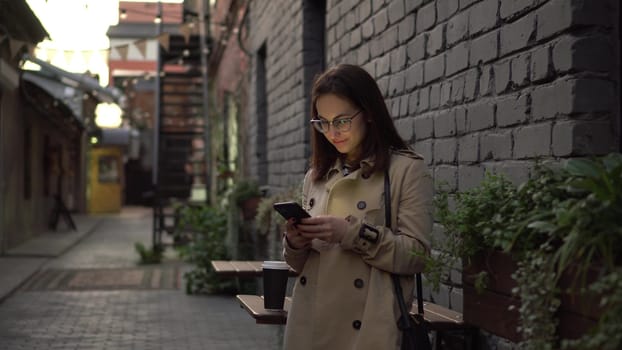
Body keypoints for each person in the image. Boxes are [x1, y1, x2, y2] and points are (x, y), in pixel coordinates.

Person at [282, 64, 433, 350]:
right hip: (310, 326)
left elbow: (416, 256)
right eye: (322, 122)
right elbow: (298, 265)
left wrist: (350, 233)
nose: (332, 132)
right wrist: (295, 242)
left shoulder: (405, 171)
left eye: (341, 121)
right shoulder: (315, 176)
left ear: (369, 113)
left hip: (369, 330)